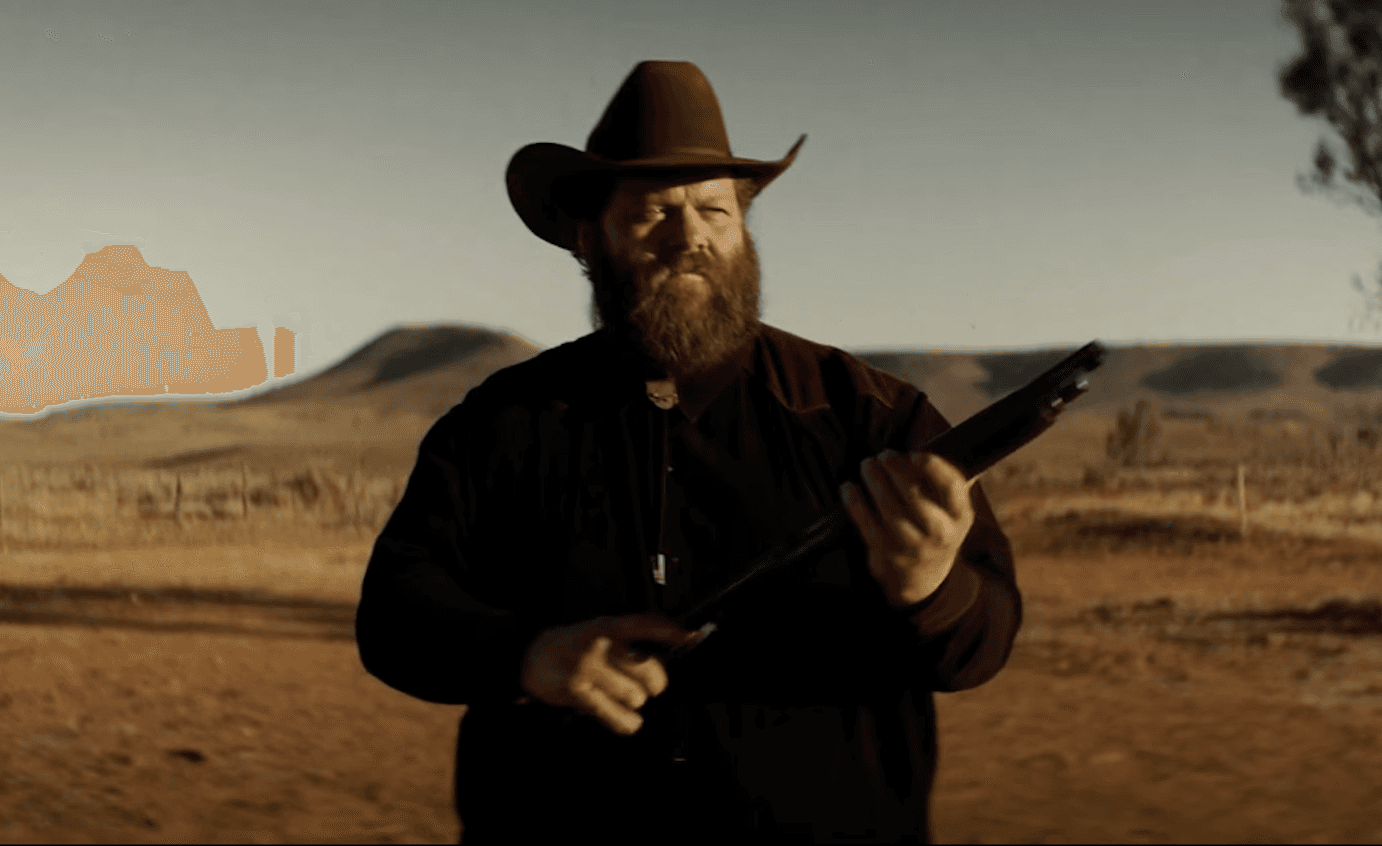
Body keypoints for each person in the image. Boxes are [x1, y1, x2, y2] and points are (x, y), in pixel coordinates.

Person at [355, 60, 1021, 844]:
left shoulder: (867, 414)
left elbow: (980, 644)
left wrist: (931, 584)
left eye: (714, 210)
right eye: (652, 212)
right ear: (589, 240)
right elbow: (395, 613)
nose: (690, 237)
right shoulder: (500, 423)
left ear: (743, 231)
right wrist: (527, 655)